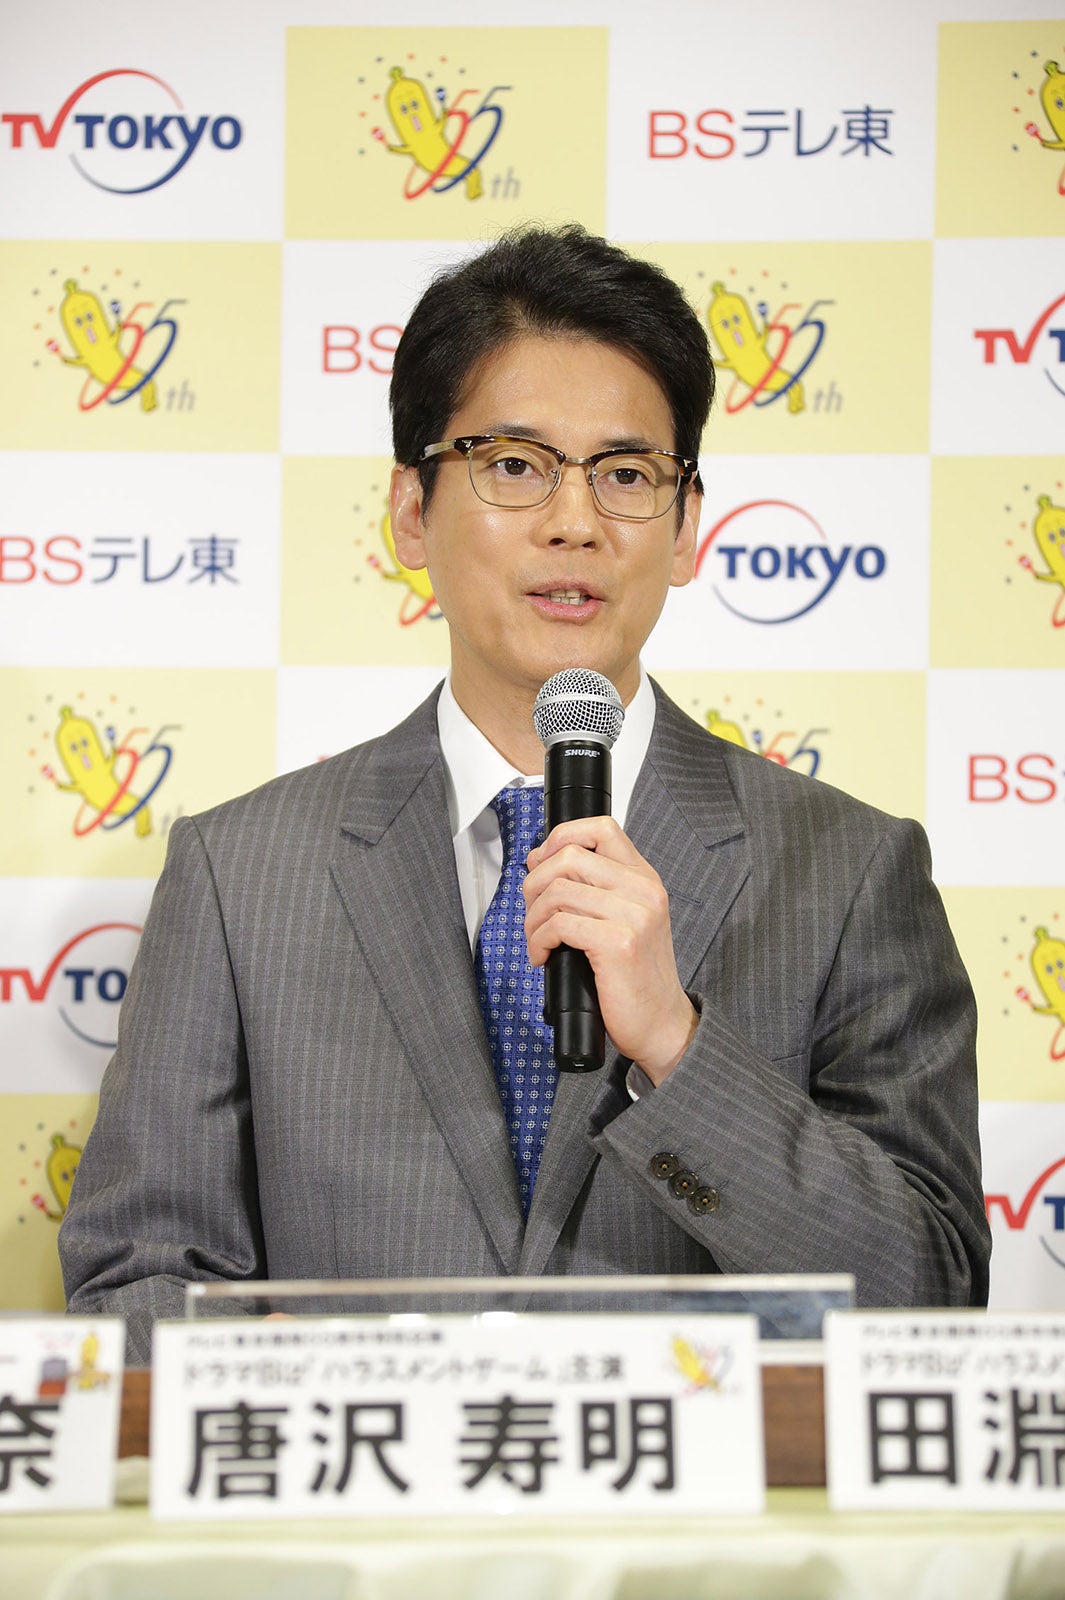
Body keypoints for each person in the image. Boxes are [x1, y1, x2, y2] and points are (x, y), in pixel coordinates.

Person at [60, 226, 990, 1362]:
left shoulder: (845, 871)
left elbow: (931, 1294)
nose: (574, 521)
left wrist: (678, 1045)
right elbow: (132, 1283)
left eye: (627, 474)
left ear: (687, 526)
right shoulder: (241, 872)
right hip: (369, 1476)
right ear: (411, 510)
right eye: (513, 464)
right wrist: (296, 1377)